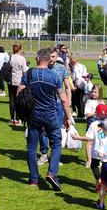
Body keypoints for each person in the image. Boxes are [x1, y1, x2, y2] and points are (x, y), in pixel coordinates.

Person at [18, 48, 70, 191]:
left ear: (37, 59)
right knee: (56, 144)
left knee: (31, 147)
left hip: (33, 116)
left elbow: (19, 94)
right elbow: (64, 100)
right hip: (51, 115)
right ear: (49, 59)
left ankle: (34, 179)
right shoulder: (54, 77)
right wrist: (68, 117)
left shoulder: (28, 74)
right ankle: (52, 173)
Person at [73, 104, 107, 189]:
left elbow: (88, 138)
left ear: (96, 113)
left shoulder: (94, 124)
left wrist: (77, 137)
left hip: (96, 151)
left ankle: (99, 180)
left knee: (94, 165)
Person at [7, 44, 29, 126]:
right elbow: (25, 70)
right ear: (20, 49)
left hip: (11, 80)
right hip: (19, 81)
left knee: (11, 100)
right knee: (19, 100)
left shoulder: (10, 57)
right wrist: (27, 65)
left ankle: (12, 118)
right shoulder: (22, 58)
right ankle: (18, 119)